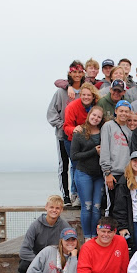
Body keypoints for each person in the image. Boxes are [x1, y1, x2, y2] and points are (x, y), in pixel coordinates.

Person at [47, 60, 84, 205]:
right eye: (74, 72)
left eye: (80, 72)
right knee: (64, 165)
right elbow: (51, 113)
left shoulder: (86, 92)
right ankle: (66, 195)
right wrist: (63, 126)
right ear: (70, 73)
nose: (77, 75)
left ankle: (77, 194)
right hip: (63, 136)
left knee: (78, 165)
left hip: (80, 137)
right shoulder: (61, 92)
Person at [70, 105, 105, 240]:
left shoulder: (104, 131)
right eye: (94, 115)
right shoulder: (79, 132)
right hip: (83, 173)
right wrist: (93, 151)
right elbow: (74, 156)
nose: (95, 118)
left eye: (99, 117)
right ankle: (87, 238)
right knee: (87, 206)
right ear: (89, 115)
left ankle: (95, 237)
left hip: (99, 175)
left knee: (97, 207)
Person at [19, 195, 71, 273]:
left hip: (57, 260)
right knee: (23, 266)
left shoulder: (65, 226)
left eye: (57, 208)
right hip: (38, 259)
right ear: (46, 207)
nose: (54, 210)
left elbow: (71, 247)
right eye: (51, 207)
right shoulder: (35, 225)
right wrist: (40, 262)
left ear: (61, 210)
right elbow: (24, 251)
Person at [100, 100, 133, 216]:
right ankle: (108, 226)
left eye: (126, 111)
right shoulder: (108, 126)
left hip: (126, 174)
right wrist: (107, 172)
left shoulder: (129, 131)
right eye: (121, 111)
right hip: (112, 173)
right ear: (116, 111)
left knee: (122, 205)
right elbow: (104, 149)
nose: (124, 113)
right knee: (111, 205)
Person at [113, 151, 137, 251]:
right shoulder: (124, 181)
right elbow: (119, 206)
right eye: (135, 161)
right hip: (133, 221)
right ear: (130, 162)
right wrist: (122, 227)